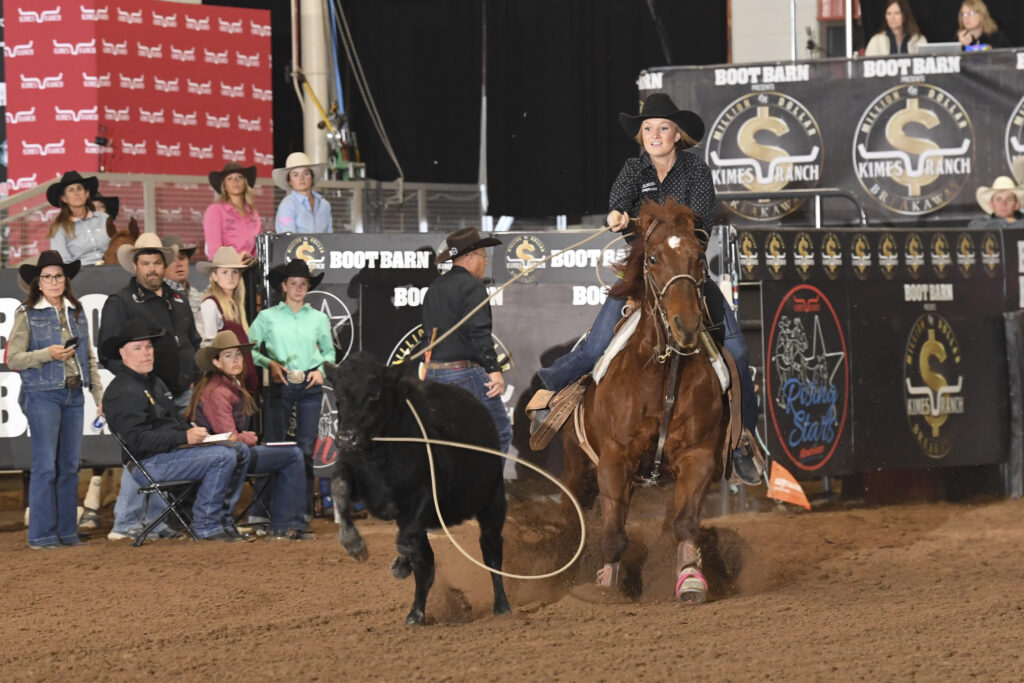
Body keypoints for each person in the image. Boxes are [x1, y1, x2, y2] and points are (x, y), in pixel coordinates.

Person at [537, 93, 761, 485]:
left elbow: (700, 224)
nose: (655, 135)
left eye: (663, 128)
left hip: (686, 274)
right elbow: (617, 205)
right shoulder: (633, 168)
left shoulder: (696, 170)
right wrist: (616, 215)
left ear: (677, 135)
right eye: (648, 128)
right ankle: (550, 393)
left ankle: (742, 441)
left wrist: (654, 225)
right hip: (643, 275)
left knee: (738, 353)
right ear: (641, 136)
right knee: (595, 346)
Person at [102, 319, 249, 542]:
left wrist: (199, 435)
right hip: (147, 464)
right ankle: (206, 526)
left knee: (238, 450)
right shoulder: (122, 391)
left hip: (169, 454)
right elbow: (139, 441)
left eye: (149, 347)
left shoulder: (155, 382)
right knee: (223, 456)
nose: (146, 353)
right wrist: (184, 437)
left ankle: (223, 521)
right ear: (123, 354)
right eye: (138, 348)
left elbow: (173, 421)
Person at [98, 233, 202, 540]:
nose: (152, 268)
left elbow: (192, 340)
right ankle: (126, 521)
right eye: (145, 263)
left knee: (165, 453)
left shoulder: (177, 298)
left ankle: (157, 519)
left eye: (157, 262)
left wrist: (193, 373)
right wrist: (134, 385)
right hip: (144, 390)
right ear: (135, 266)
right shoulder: (120, 302)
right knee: (142, 451)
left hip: (179, 390)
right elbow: (108, 351)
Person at [6, 251, 103, 549]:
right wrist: (46, 354)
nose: (54, 281)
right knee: (46, 466)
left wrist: (98, 395)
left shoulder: (76, 311)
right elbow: (13, 358)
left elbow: (88, 357)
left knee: (69, 466)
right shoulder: (27, 313)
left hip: (74, 394)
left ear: (65, 280)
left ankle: (67, 532)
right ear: (38, 282)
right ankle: (41, 534)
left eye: (58, 276)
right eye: (47, 276)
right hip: (42, 394)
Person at [186, 330, 310, 540]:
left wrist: (243, 437)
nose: (236, 360)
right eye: (228, 356)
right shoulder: (219, 391)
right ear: (216, 362)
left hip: (227, 454)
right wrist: (248, 437)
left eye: (238, 355)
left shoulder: (226, 384)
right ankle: (286, 524)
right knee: (292, 455)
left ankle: (285, 523)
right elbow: (228, 437)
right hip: (224, 456)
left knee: (290, 453)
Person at [249, 259, 335, 517]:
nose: (298, 288)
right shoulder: (267, 317)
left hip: (309, 383)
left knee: (306, 448)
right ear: (284, 286)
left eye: (303, 284)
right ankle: (262, 510)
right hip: (280, 381)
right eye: (294, 283)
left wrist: (321, 372)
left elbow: (329, 352)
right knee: (274, 446)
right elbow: (250, 350)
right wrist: (270, 364)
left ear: (308, 287)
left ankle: (301, 511)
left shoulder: (319, 318)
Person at [421, 227, 513, 454]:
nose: (486, 263)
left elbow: (427, 332)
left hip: (433, 374)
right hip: (463, 374)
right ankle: (486, 479)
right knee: (499, 431)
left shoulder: (435, 287)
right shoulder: (472, 286)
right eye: (483, 256)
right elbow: (479, 331)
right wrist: (493, 370)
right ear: (470, 256)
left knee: (447, 439)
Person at [195, 246, 258, 393]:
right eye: (225, 272)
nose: (230, 277)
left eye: (235, 272)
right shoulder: (211, 304)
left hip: (239, 381)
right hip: (225, 384)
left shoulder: (235, 305)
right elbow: (209, 348)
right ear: (214, 276)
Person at [46, 170, 110, 266]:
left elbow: (116, 247)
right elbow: (63, 261)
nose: (77, 193)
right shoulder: (59, 228)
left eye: (79, 188)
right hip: (82, 272)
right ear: (64, 198)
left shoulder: (104, 218)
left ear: (87, 193)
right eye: (71, 190)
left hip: (111, 268)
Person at [203, 162, 262, 260]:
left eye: (239, 177)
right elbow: (214, 251)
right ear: (224, 185)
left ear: (245, 182)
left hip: (250, 266)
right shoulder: (215, 210)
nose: (235, 181)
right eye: (229, 178)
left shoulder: (253, 213)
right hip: (226, 267)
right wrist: (237, 260)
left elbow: (258, 248)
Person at [273, 152, 333, 233]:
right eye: (295, 175)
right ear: (290, 181)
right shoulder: (287, 205)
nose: (301, 178)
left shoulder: (324, 205)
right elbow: (287, 239)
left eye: (306, 173)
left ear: (312, 177)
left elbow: (329, 237)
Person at [162, 234, 203, 317]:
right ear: (162, 266)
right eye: (172, 260)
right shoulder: (157, 296)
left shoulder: (199, 296)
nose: (179, 264)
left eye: (182, 258)